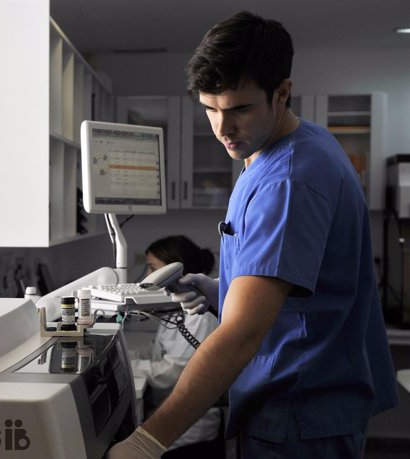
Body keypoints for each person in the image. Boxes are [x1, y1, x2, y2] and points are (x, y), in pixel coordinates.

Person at [108, 11, 398, 459]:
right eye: (210, 108)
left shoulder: (287, 180)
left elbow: (242, 334)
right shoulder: (293, 146)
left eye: (239, 108)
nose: (223, 128)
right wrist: (223, 290)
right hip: (304, 402)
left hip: (298, 413)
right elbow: (296, 286)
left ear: (281, 93)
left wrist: (148, 442)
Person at [130, 236, 221, 458]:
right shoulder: (178, 310)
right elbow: (158, 348)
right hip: (172, 417)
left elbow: (174, 372)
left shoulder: (200, 315)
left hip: (190, 433)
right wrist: (127, 357)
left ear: (173, 270)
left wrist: (131, 367)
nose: (147, 276)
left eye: (152, 268)